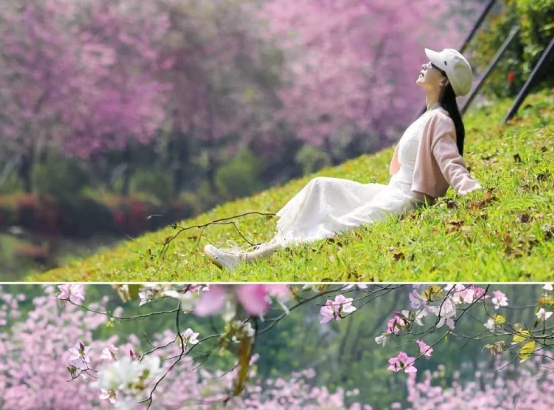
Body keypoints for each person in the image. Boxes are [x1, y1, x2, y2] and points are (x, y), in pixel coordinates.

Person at [203, 47, 483, 269]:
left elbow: (451, 162)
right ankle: (262, 249)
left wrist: (472, 190)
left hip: (403, 201)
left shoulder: (441, 121)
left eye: (432, 65)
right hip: (389, 192)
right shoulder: (427, 117)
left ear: (443, 80)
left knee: (332, 226)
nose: (424, 65)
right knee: (322, 186)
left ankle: (245, 260)